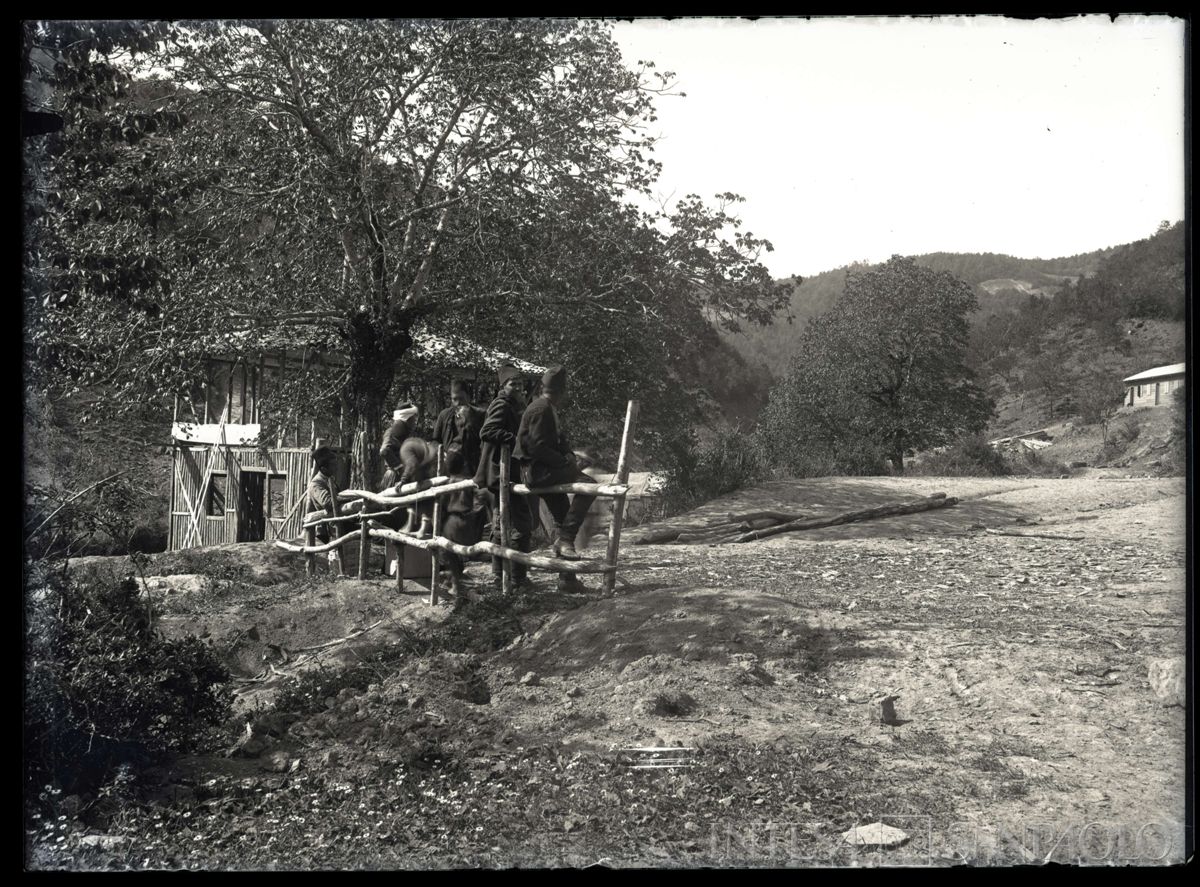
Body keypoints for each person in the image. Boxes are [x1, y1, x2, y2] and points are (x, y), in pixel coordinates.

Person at [514, 365, 594, 592]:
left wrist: (570, 456)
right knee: (590, 485)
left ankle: (567, 580)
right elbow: (537, 447)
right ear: (562, 391)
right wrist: (564, 462)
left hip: (541, 470)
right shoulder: (542, 410)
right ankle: (567, 539)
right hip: (538, 472)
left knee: (562, 517)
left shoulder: (545, 407)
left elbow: (556, 442)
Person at [476, 364, 533, 591]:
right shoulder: (502, 404)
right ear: (503, 386)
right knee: (521, 524)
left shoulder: (514, 404)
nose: (518, 387)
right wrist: (515, 440)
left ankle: (499, 575)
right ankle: (518, 579)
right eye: (513, 384)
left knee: (501, 523)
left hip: (502, 472)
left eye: (519, 383)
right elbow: (487, 431)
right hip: (502, 472)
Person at [378, 402, 437, 538]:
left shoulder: (404, 432)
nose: (414, 422)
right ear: (407, 418)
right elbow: (384, 451)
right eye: (413, 419)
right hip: (395, 476)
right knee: (397, 512)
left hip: (404, 475)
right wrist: (399, 468)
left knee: (404, 511)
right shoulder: (393, 430)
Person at [438, 449, 486, 606]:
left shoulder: (446, 484)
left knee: (447, 549)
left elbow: (442, 507)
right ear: (463, 465)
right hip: (466, 522)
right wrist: (473, 514)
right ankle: (457, 582)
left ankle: (457, 583)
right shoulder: (468, 482)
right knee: (455, 551)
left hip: (452, 522)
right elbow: (480, 500)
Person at [432, 380, 485, 477]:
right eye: (454, 399)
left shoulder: (480, 415)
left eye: (461, 399)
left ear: (468, 397)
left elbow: (484, 441)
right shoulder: (444, 415)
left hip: (471, 465)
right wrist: (441, 452)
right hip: (449, 464)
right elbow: (435, 440)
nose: (457, 403)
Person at [304, 446, 342, 545]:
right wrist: (347, 498)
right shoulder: (317, 483)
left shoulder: (330, 479)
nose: (336, 467)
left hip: (337, 522)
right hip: (329, 527)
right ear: (323, 468)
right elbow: (328, 503)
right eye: (333, 465)